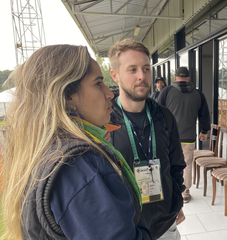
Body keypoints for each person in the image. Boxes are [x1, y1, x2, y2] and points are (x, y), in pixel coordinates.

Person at [1, 44, 151, 240]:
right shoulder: (78, 165)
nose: (109, 93)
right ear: (66, 94)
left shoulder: (48, 150)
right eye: (98, 83)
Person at [108, 38, 186, 240]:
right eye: (132, 70)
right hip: (126, 227)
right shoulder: (104, 119)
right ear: (115, 76)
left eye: (146, 69)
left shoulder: (164, 116)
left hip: (165, 223)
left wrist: (176, 202)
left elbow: (176, 164)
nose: (142, 76)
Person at [158, 66, 210, 203]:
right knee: (186, 164)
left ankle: (171, 190)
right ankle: (185, 192)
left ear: (175, 78)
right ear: (189, 78)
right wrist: (204, 131)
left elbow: (157, 113)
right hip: (189, 137)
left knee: (168, 162)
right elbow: (204, 115)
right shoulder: (198, 94)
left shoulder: (166, 91)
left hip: (169, 137)